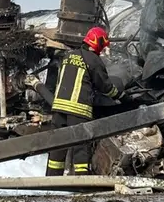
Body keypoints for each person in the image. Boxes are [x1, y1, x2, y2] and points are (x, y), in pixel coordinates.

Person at [26, 26, 123, 176]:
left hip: (58, 108)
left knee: (57, 148)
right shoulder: (93, 60)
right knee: (81, 149)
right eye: (103, 46)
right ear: (98, 43)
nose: (103, 50)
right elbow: (105, 86)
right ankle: (81, 183)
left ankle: (51, 182)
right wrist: (119, 95)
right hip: (78, 110)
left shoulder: (68, 56)